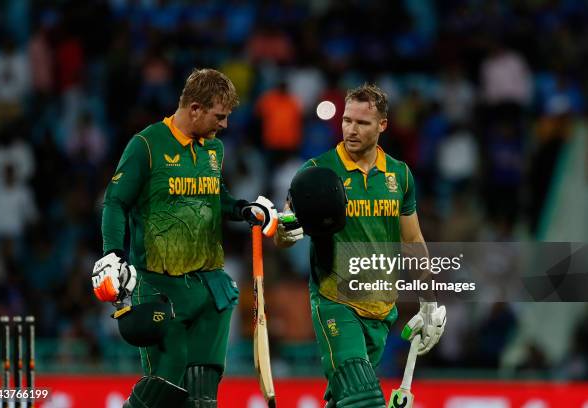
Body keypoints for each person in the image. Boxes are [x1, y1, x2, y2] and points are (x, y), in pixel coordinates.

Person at [91, 68, 278, 408]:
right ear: (195, 108)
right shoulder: (146, 145)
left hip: (209, 286)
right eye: (219, 117)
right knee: (165, 388)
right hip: (162, 288)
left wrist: (240, 209)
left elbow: (214, 195)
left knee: (203, 399)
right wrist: (113, 254)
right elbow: (116, 202)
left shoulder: (213, 150)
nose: (224, 125)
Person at [275, 84, 447, 407]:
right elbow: (285, 228)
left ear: (382, 125)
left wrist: (428, 301)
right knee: (364, 398)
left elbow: (412, 240)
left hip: (381, 311)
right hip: (334, 304)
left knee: (344, 400)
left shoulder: (400, 175)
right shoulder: (317, 172)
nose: (351, 130)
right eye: (346, 120)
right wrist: (285, 235)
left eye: (362, 123)